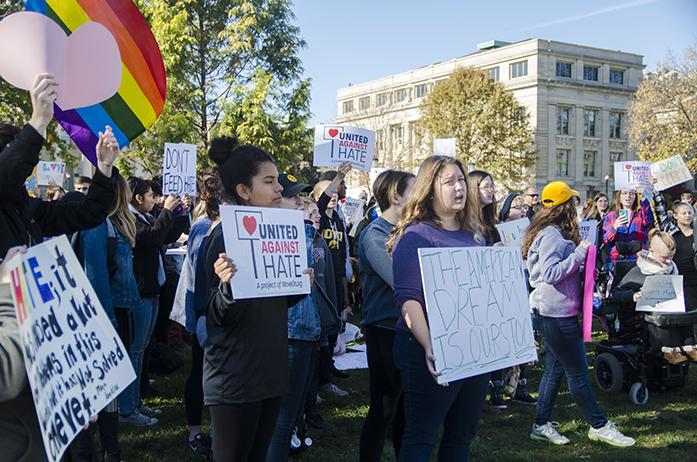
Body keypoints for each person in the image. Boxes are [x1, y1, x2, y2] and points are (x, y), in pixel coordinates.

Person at [202, 136, 314, 462]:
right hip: (235, 379)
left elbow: (271, 303)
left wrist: (297, 285)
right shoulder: (221, 237)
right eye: (269, 181)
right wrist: (226, 286)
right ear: (243, 191)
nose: (279, 188)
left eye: (277, 180)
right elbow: (212, 315)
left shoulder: (280, 230)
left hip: (270, 374)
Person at [387, 155, 490, 461]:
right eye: (449, 182)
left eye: (461, 180)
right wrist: (430, 343)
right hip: (428, 350)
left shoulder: (475, 234)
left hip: (472, 348)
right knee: (422, 436)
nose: (459, 187)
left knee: (462, 435)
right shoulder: (416, 236)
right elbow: (408, 299)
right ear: (429, 189)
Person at [522, 181, 635, 447]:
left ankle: (540, 424)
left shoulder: (550, 231)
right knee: (578, 374)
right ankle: (599, 425)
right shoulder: (551, 234)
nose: (575, 206)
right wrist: (580, 253)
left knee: (554, 370)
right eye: (571, 202)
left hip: (555, 312)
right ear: (564, 206)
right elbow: (549, 274)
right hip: (556, 314)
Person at [358, 169, 414, 461]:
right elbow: (399, 279)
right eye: (414, 190)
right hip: (384, 330)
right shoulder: (375, 235)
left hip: (407, 329)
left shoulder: (409, 231)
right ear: (396, 196)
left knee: (406, 407)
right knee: (384, 407)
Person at [267, 176, 323, 462]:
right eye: (294, 199)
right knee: (280, 422)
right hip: (291, 334)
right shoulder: (290, 233)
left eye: (302, 198)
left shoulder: (302, 231)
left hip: (304, 332)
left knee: (284, 420)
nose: (301, 203)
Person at [119, 178, 181, 425]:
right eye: (150, 195)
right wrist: (166, 210)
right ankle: (127, 408)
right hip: (140, 292)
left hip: (151, 290)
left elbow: (167, 234)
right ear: (137, 198)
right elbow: (154, 238)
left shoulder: (145, 217)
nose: (154, 199)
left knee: (141, 349)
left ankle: (135, 402)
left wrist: (178, 212)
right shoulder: (130, 220)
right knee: (134, 350)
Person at [171, 175, 220, 457]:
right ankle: (195, 431)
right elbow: (195, 279)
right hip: (205, 312)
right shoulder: (202, 229)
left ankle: (217, 429)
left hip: (220, 312)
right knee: (200, 372)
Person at [602, 187, 655, 264]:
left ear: (635, 196)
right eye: (624, 193)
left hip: (637, 258)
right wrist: (614, 227)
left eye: (631, 193)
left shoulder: (640, 213)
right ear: (619, 196)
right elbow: (605, 240)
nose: (628, 196)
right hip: (616, 259)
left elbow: (649, 221)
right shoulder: (611, 216)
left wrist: (644, 197)